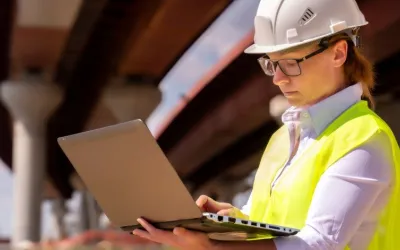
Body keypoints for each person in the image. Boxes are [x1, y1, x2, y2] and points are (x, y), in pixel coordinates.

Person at [132, 0, 400, 249]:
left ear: (338, 53)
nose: (278, 78)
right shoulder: (283, 138)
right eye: (272, 64)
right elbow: (266, 220)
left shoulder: (364, 139)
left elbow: (318, 244)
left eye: (291, 63)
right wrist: (230, 218)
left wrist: (212, 246)